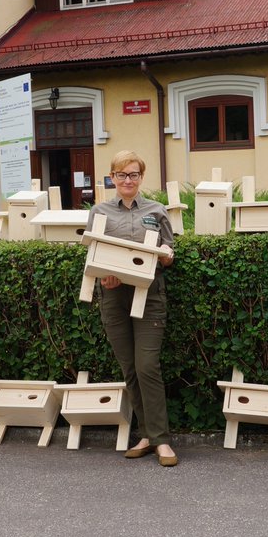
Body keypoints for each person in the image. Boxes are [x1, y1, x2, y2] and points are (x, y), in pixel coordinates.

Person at [86, 151, 177, 466]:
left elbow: (169, 251)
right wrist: (104, 275)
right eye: (122, 175)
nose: (128, 180)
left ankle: (162, 440)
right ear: (112, 177)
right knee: (129, 369)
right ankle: (147, 435)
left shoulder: (156, 210)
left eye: (134, 174)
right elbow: (94, 254)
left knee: (147, 366)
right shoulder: (99, 211)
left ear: (141, 177)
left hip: (149, 294)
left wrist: (166, 254)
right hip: (113, 296)